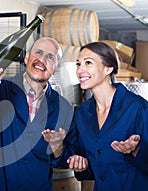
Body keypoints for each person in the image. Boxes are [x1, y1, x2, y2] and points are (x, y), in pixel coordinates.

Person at [0, 37, 74, 191]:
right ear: (26, 58)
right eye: (38, 52)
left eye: (50, 57)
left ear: (57, 68)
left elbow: (64, 160)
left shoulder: (64, 108)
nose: (42, 60)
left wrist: (57, 147)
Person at [43, 41, 148, 191]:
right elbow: (82, 164)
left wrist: (136, 149)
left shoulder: (137, 107)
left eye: (88, 63)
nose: (80, 70)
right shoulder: (83, 114)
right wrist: (58, 146)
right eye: (78, 64)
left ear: (108, 68)